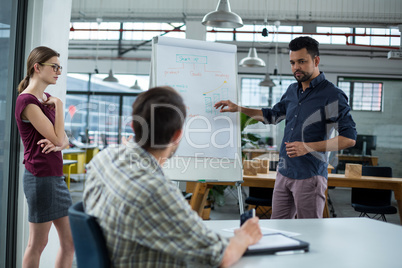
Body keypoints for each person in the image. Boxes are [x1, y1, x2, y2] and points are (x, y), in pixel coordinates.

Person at [83, 86, 262, 267]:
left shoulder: (103, 159)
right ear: (177, 135)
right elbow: (222, 256)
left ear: (133, 125)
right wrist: (244, 236)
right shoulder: (154, 190)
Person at [215, 36, 357, 219]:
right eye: (292, 62)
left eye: (301, 62)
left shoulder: (332, 94)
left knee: (309, 231)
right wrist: (239, 108)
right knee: (278, 228)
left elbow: (349, 138)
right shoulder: (292, 90)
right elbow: (271, 116)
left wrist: (308, 147)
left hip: (309, 175)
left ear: (316, 61)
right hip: (284, 173)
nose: (296, 67)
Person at [15, 46, 74, 268]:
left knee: (69, 243)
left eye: (60, 67)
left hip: (54, 177)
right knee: (37, 244)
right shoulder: (28, 102)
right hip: (40, 177)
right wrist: (59, 105)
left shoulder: (44, 98)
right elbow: (60, 140)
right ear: (37, 67)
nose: (58, 71)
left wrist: (60, 143)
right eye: (54, 66)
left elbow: (64, 141)